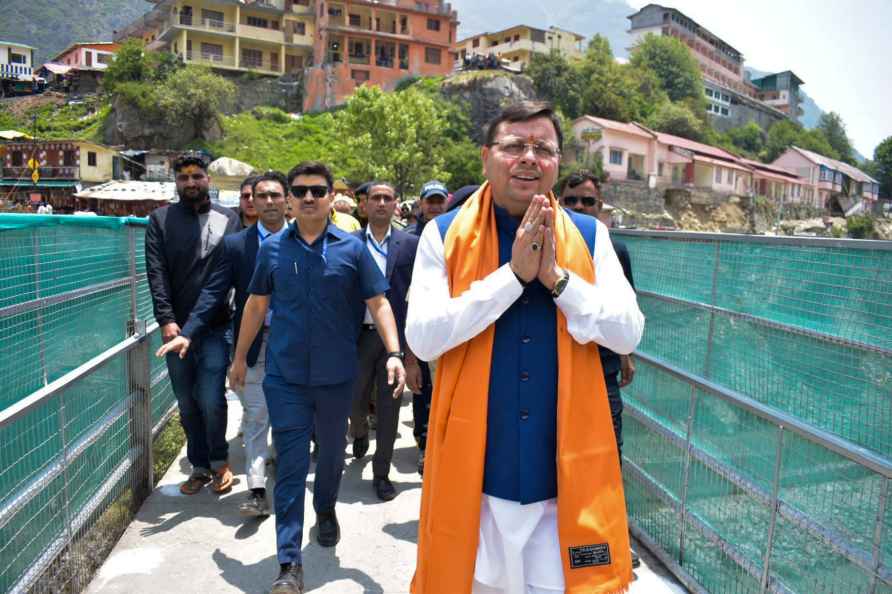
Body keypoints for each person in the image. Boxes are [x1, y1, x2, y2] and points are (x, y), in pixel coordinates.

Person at [406, 102, 644, 594]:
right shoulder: (443, 235)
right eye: (514, 146)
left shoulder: (589, 235)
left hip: (564, 489)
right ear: (486, 156)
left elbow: (627, 334)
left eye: (543, 149)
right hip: (477, 488)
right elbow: (423, 337)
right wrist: (511, 278)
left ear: (557, 162)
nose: (529, 158)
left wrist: (559, 281)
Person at [228, 161, 407, 594]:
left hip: (336, 378)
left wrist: (395, 352)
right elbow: (254, 306)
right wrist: (238, 360)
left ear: (331, 197)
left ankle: (325, 507)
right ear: (290, 197)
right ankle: (289, 563)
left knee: (330, 457)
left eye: (317, 190)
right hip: (285, 377)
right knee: (289, 467)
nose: (308, 197)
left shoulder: (352, 249)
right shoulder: (272, 250)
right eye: (301, 190)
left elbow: (379, 302)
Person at [157, 171, 290, 519]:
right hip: (254, 343)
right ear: (253, 203)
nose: (270, 202)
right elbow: (214, 292)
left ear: (287, 199)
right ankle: (258, 490)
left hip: (298, 345)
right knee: (257, 415)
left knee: (292, 419)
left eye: (276, 195)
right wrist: (188, 331)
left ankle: (291, 484)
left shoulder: (306, 240)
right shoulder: (236, 246)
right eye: (262, 196)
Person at [145, 152, 240, 496]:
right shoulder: (160, 220)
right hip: (174, 333)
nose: (190, 183)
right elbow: (156, 273)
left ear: (207, 180)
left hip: (215, 327)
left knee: (212, 398)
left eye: (196, 176)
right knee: (186, 402)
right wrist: (166, 319)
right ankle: (199, 466)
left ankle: (220, 462)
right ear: (176, 182)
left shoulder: (229, 219)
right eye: (183, 177)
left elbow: (227, 277)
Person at [559, 170, 640, 568]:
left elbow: (626, 309)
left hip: (602, 370)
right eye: (570, 200)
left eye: (586, 202)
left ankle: (614, 539)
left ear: (600, 206)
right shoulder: (547, 245)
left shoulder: (614, 248)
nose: (578, 208)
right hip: (557, 371)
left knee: (609, 457)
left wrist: (625, 355)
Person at [348, 181, 422, 500]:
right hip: (357, 337)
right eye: (374, 198)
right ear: (363, 205)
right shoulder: (347, 243)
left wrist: (411, 352)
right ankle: (360, 429)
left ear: (396, 205)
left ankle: (382, 473)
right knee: (354, 399)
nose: (380, 203)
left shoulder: (411, 245)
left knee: (390, 406)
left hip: (396, 340)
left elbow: (420, 294)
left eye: (386, 198)